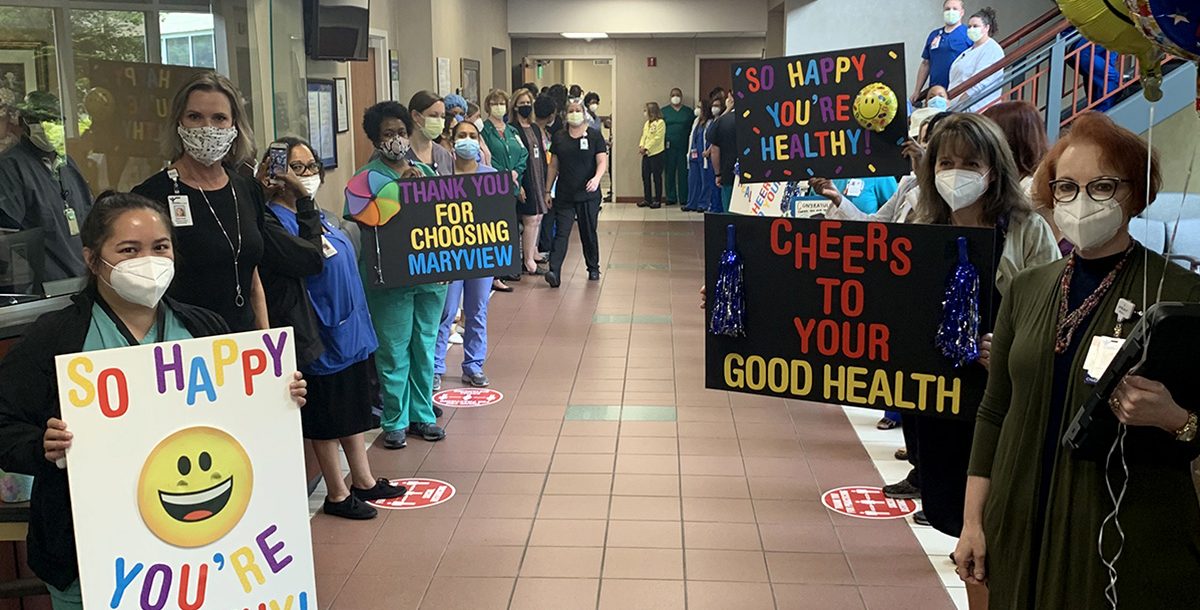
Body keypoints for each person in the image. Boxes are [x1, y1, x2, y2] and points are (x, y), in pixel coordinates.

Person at [0, 192, 307, 609]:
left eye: (160, 247)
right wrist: (41, 445)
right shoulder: (56, 338)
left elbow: (236, 419)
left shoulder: (204, 330)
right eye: (129, 250)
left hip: (199, 553)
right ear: (93, 260)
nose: (149, 260)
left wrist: (277, 401)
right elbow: (4, 424)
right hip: (87, 555)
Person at [955, 112, 1200, 609]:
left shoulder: (1179, 296)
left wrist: (1175, 419)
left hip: (1120, 533)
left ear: (1135, 193)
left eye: (1102, 186)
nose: (1081, 201)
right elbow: (993, 410)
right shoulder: (1029, 287)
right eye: (1066, 187)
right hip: (1020, 519)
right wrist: (972, 522)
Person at [907, 113, 1060, 607]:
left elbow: (1053, 316)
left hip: (999, 409)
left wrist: (1015, 352)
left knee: (994, 536)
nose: (956, 172)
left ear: (994, 169)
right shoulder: (919, 223)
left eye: (970, 163)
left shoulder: (1026, 229)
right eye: (945, 162)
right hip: (935, 406)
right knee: (956, 523)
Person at [258, 137, 403, 519]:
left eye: (309, 167)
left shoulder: (318, 214)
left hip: (349, 329)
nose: (305, 176)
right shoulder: (274, 221)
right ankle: (336, 493)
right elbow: (310, 264)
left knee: (353, 410)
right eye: (295, 168)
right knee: (327, 417)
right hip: (319, 332)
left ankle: (364, 480)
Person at [132, 72, 267, 333]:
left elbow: (253, 280)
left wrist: (268, 343)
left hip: (245, 343)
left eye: (219, 118)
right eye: (195, 117)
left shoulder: (247, 189)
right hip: (182, 345)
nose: (208, 128)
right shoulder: (150, 197)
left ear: (235, 126)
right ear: (178, 123)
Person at [349, 101, 446, 450]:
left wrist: (453, 265)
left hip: (429, 278)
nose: (397, 139)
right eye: (388, 134)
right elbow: (366, 218)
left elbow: (446, 222)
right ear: (375, 139)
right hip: (388, 281)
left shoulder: (428, 173)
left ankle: (423, 415)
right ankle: (395, 419)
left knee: (425, 344)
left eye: (402, 132)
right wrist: (399, 191)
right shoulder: (364, 179)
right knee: (393, 350)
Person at [0, 90, 93, 283]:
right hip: (43, 288)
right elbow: (9, 239)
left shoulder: (67, 165)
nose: (48, 125)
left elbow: (89, 220)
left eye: (55, 120)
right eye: (39, 119)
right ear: (24, 122)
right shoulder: (11, 167)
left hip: (80, 279)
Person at [434, 120, 497, 391]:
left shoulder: (490, 176)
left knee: (477, 310)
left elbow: (499, 221)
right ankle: (436, 366)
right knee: (444, 312)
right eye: (462, 135)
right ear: (452, 139)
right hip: (448, 255)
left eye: (472, 136)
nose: (467, 140)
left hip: (481, 254)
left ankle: (474, 365)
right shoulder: (440, 177)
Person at [544, 99, 608, 288]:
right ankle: (554, 271)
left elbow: (602, 161)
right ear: (565, 114)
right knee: (562, 233)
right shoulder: (559, 137)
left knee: (588, 232)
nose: (574, 113)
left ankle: (593, 267)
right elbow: (553, 165)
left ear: (584, 112)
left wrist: (596, 179)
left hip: (588, 194)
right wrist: (548, 190)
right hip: (565, 193)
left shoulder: (595, 136)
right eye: (570, 110)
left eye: (577, 110)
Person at [481, 88, 529, 291]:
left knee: (510, 228)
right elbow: (485, 157)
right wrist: (502, 174)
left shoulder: (512, 131)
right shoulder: (484, 131)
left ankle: (508, 268)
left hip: (512, 186)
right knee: (496, 229)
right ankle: (495, 275)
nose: (498, 107)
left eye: (502, 103)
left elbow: (523, 154)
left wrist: (516, 173)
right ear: (488, 106)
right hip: (494, 186)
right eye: (494, 103)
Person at [511, 89, 550, 275]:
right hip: (525, 180)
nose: (526, 106)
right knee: (530, 219)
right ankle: (527, 260)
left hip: (538, 178)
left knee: (538, 217)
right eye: (522, 103)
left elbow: (541, 154)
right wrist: (518, 186)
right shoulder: (513, 129)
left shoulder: (534, 127)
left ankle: (531, 253)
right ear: (515, 106)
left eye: (528, 103)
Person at [912, 0, 972, 104]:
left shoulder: (968, 34)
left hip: (958, 91)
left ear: (962, 12)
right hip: (936, 92)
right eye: (947, 9)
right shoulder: (934, 35)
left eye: (955, 9)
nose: (951, 11)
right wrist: (917, 91)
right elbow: (926, 63)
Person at [948, 7, 1005, 111]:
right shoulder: (968, 51)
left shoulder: (992, 49)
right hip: (958, 106)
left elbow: (980, 82)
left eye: (975, 26)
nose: (971, 29)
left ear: (987, 28)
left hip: (976, 108)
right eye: (969, 27)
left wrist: (959, 102)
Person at [533, 94, 559, 258]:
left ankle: (543, 247)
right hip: (541, 181)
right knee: (541, 219)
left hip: (548, 180)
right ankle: (542, 248)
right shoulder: (535, 132)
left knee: (546, 218)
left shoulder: (546, 133)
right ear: (551, 115)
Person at [406, 90, 454, 176]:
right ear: (415, 116)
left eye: (442, 117)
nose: (439, 121)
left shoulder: (443, 155)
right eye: (433, 116)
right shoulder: (399, 154)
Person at [662, 88, 695, 206]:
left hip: (684, 146)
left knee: (683, 172)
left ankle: (684, 197)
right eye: (673, 95)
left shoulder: (688, 112)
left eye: (678, 95)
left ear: (681, 96)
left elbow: (693, 128)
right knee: (669, 172)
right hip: (669, 146)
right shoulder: (664, 111)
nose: (675, 97)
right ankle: (671, 197)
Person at [707, 90, 739, 212]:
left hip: (728, 173)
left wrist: (718, 174)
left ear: (731, 100)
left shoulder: (723, 121)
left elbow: (715, 150)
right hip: (752, 176)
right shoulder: (756, 119)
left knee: (729, 211)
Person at [683, 102, 717, 213]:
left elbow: (711, 139)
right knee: (693, 180)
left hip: (704, 156)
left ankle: (703, 204)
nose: (697, 109)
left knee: (705, 180)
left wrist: (708, 151)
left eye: (699, 107)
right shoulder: (696, 121)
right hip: (694, 155)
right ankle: (691, 203)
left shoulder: (710, 123)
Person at [638, 102, 667, 209]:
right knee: (645, 177)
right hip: (646, 154)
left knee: (656, 177)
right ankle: (647, 199)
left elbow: (657, 138)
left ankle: (657, 200)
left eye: (646, 110)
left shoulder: (660, 123)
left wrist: (647, 147)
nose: (644, 112)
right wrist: (641, 146)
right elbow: (644, 136)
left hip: (656, 153)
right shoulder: (647, 123)